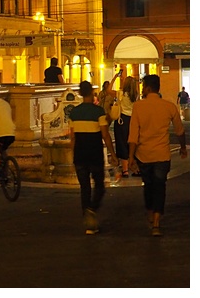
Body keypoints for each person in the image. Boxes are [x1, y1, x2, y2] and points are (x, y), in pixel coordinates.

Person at [128, 74, 187, 237]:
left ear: (147, 88)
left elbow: (133, 135)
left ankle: (150, 212)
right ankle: (156, 222)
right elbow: (180, 131)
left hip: (144, 155)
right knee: (160, 187)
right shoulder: (169, 107)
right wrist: (183, 148)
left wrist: (131, 157)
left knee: (148, 185)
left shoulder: (138, 107)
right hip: (162, 154)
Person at [68, 81, 119, 235]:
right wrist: (113, 154)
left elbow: (72, 138)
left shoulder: (74, 113)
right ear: (91, 93)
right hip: (95, 153)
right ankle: (92, 209)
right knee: (99, 186)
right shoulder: (98, 112)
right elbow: (105, 135)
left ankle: (88, 221)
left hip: (80, 154)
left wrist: (73, 155)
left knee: (85, 188)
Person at [115, 75, 139, 177]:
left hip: (122, 121)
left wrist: (115, 77)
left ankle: (125, 170)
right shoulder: (136, 96)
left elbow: (108, 90)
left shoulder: (120, 94)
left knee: (122, 144)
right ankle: (135, 169)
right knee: (133, 143)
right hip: (133, 120)